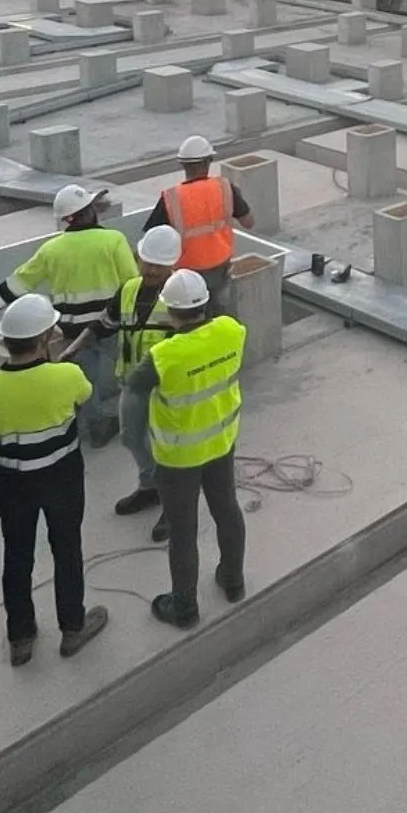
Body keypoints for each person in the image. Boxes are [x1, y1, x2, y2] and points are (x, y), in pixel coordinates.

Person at [0, 295, 110, 668]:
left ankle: (21, 638)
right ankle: (73, 627)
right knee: (66, 548)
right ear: (47, 336)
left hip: (13, 482)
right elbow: (83, 396)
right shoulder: (66, 376)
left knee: (16, 555)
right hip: (61, 476)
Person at [0, 183, 137, 445]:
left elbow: (20, 282)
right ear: (90, 211)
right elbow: (132, 283)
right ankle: (139, 413)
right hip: (110, 324)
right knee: (132, 368)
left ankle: (97, 427)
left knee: (86, 380)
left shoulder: (51, 250)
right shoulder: (112, 240)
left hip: (73, 331)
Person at [129, 270, 247, 629]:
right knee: (226, 509)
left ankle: (184, 607)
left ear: (170, 310)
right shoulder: (231, 330)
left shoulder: (163, 356)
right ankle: (232, 579)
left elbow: (133, 387)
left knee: (183, 530)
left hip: (178, 457)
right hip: (221, 441)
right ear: (206, 302)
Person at [109, 223, 183, 529]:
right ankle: (149, 487)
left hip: (165, 388)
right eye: (147, 261)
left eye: (159, 265)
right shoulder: (128, 289)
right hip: (132, 382)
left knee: (165, 446)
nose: (151, 269)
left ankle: (173, 504)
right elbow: (108, 320)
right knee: (131, 437)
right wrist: (79, 341)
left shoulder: (180, 294)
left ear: (173, 265)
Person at [142, 136, 253, 316]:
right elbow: (249, 222)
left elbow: (153, 237)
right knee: (217, 312)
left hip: (186, 273)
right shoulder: (224, 187)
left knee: (187, 316)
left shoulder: (171, 198)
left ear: (183, 165)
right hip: (220, 266)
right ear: (209, 161)